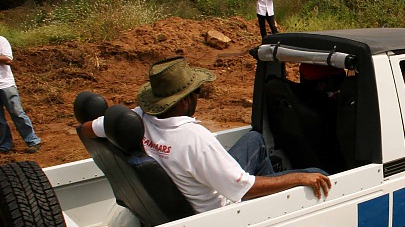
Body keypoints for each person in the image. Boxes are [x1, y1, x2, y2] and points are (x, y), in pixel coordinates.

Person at [79, 57, 330, 213]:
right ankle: (272, 207)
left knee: (255, 140)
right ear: (185, 100)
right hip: (225, 206)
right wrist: (299, 178)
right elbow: (243, 190)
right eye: (196, 91)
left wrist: (88, 126)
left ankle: (275, 200)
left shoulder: (137, 118)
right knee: (319, 175)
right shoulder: (194, 138)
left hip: (198, 182)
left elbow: (88, 128)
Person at [0, 36, 41, 154]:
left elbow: (8, 59)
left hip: (6, 84)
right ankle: (5, 145)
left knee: (17, 113)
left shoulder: (1, 40)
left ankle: (33, 141)